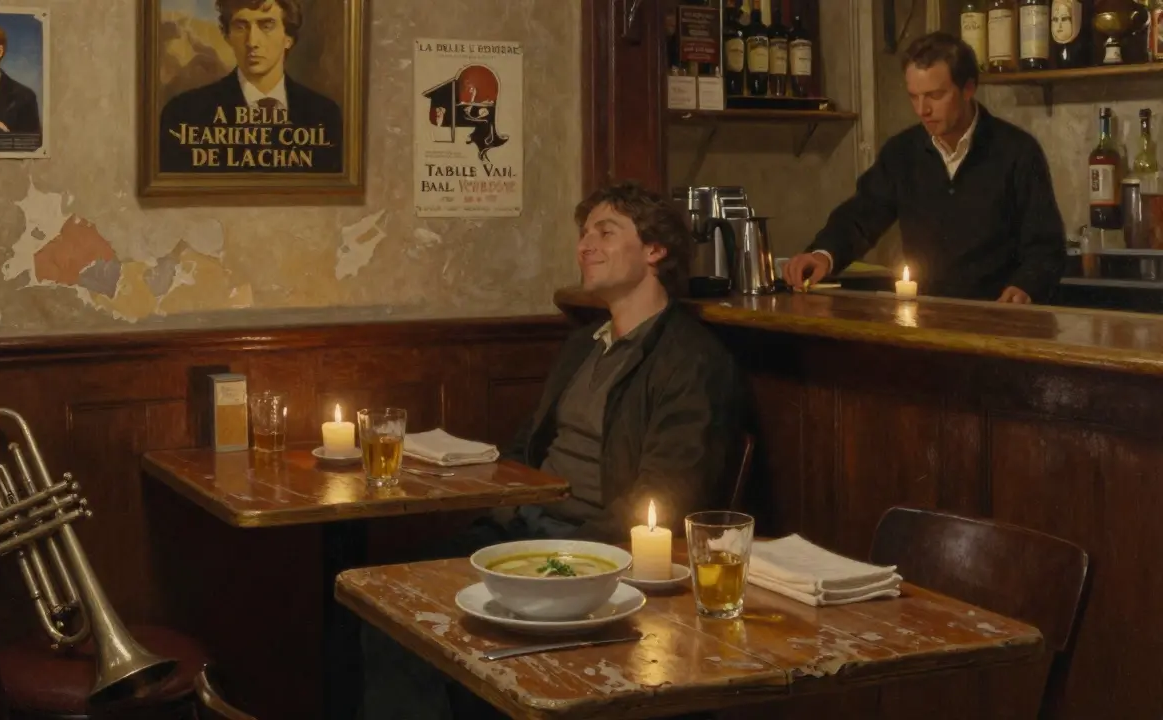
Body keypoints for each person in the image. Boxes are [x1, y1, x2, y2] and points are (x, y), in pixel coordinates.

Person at [356, 180, 746, 720]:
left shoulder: (691, 360)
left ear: (655, 250)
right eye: (584, 234)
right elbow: (528, 446)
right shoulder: (584, 344)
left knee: (442, 637)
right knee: (387, 600)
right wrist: (491, 496)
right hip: (523, 528)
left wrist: (571, 557)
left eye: (605, 233)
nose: (585, 245)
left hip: (595, 549)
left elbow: (669, 491)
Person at [781, 31, 1065, 304]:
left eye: (935, 95)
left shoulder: (1017, 151)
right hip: (924, 318)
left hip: (998, 318)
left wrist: (1026, 286)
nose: (922, 110)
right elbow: (861, 216)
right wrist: (823, 254)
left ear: (968, 89)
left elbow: (1046, 246)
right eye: (913, 96)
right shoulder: (902, 152)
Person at [158, 0, 343, 173]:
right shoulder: (185, 114)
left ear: (288, 37)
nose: (252, 42)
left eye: (266, 26)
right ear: (227, 36)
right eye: (241, 27)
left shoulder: (325, 115)